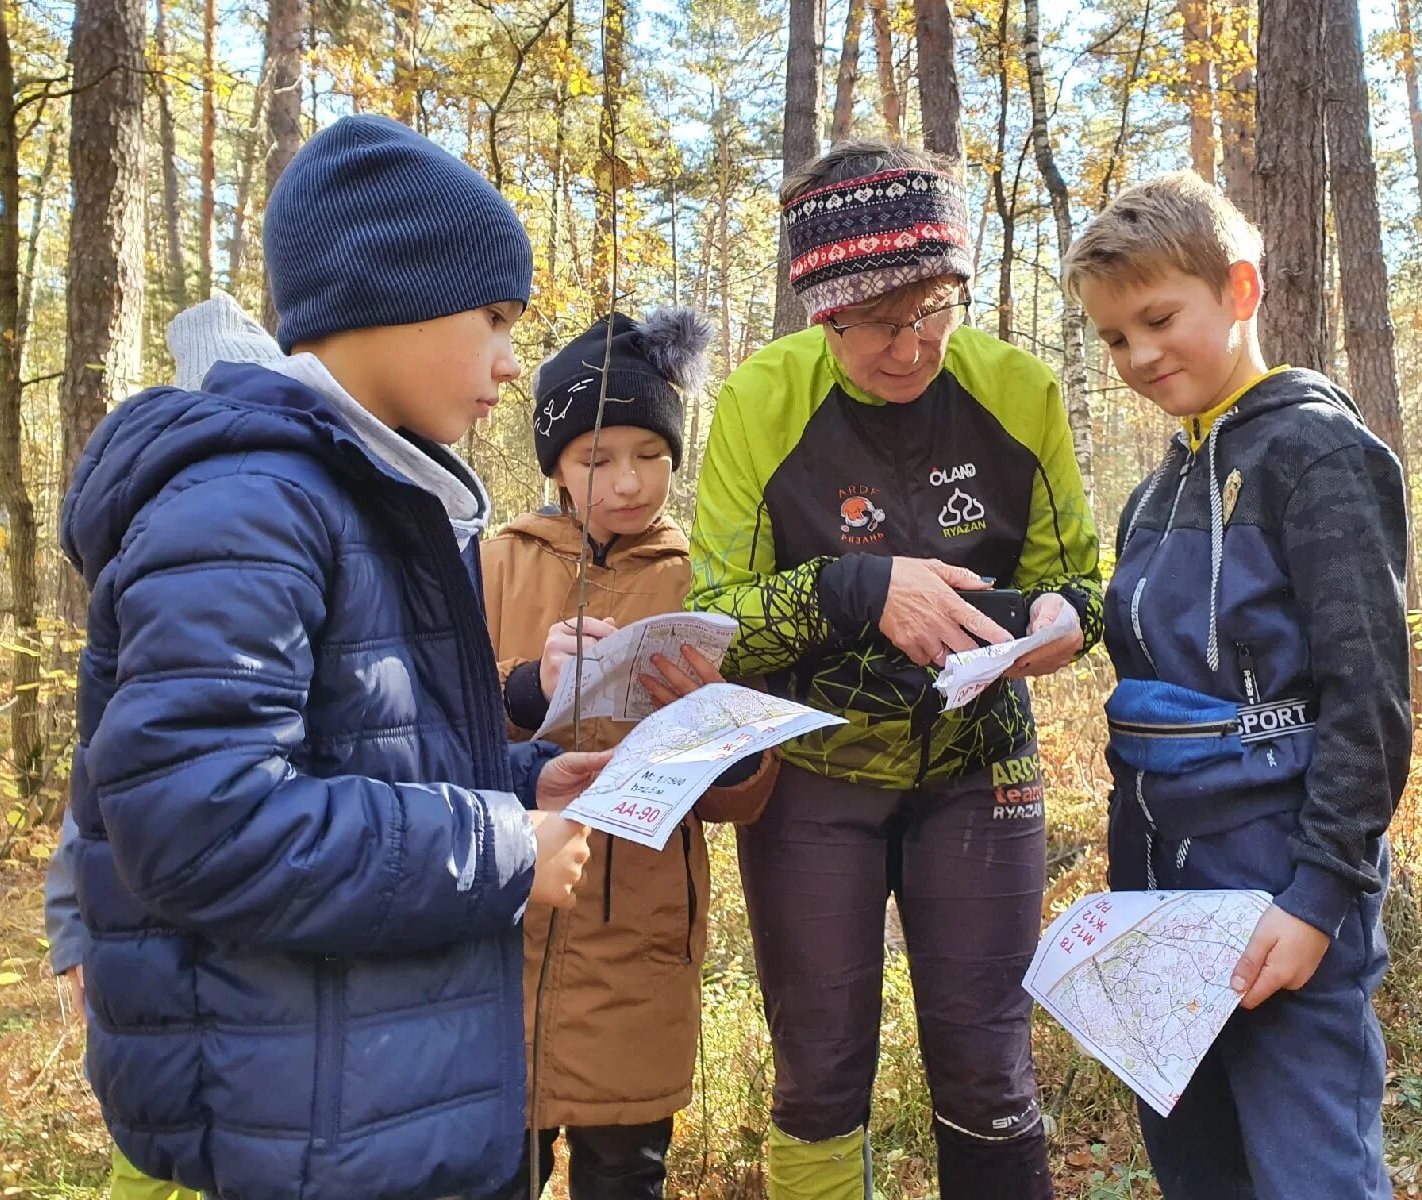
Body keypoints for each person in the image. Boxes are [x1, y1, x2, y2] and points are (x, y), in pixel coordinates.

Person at [59, 116, 607, 1200]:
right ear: (387, 300)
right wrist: (502, 850)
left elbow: (360, 758)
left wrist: (525, 783)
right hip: (301, 1119)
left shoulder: (368, 500)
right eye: (493, 318)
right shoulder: (250, 506)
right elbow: (203, 823)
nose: (510, 363)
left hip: (374, 1097)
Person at [686, 139, 1103, 1200]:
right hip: (812, 781)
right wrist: (858, 589)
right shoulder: (761, 403)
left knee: (987, 1061)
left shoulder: (1019, 392)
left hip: (981, 769)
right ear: (820, 311)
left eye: (935, 310)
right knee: (820, 1069)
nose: (911, 346)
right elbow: (712, 623)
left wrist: (1065, 622)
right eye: (877, 321)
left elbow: (1082, 585)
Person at [1064, 169, 1411, 1200]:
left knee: (1311, 1173)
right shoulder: (1156, 490)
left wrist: (1315, 899)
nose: (1138, 356)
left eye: (1159, 318)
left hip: (1279, 891)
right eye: (1114, 338)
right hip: (1159, 894)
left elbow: (1370, 703)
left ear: (1241, 289)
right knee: (1196, 1169)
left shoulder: (1317, 454)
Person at [481, 308, 779, 1200]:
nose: (626, 483)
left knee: (626, 1174)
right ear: (556, 468)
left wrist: (720, 741)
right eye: (595, 459)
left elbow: (748, 798)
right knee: (494, 1169)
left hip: (642, 924)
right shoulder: (495, 563)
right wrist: (530, 684)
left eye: (650, 453)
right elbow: (429, 726)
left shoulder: (707, 578)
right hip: (504, 925)